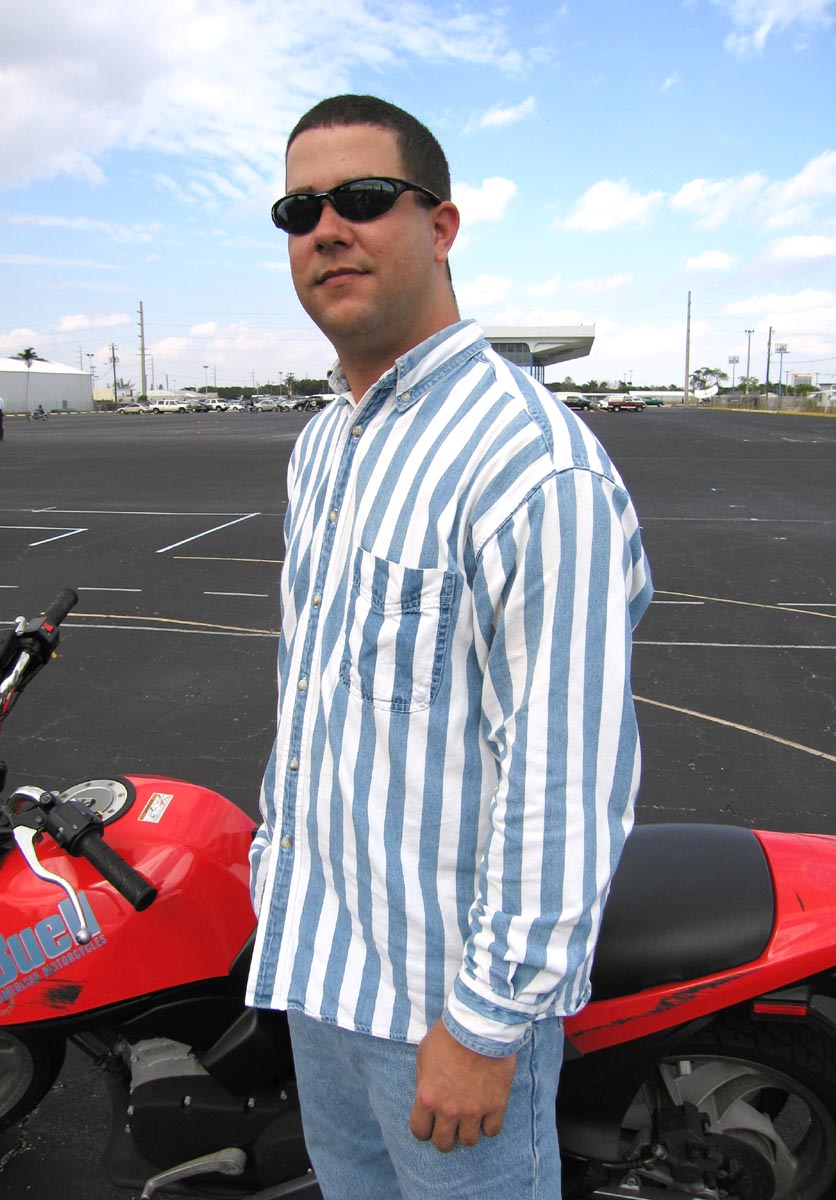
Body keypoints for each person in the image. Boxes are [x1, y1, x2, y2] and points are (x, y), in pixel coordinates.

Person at [246, 94, 653, 1200]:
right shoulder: (322, 448)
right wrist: (275, 880)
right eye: (298, 210)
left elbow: (564, 780)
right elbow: (314, 697)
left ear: (441, 226)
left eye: (363, 197)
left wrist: (484, 1026)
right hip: (320, 978)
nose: (327, 228)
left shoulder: (531, 464)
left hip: (443, 1017)